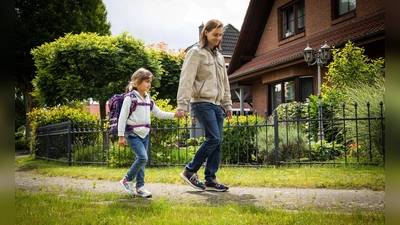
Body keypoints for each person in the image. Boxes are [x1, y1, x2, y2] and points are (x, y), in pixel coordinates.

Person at [176, 19, 233, 192]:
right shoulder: (196, 53)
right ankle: (189, 171)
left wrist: (228, 104)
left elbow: (225, 82)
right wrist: (182, 105)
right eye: (215, 34)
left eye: (220, 35)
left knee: (218, 142)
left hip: (217, 104)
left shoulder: (219, 56)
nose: (218, 38)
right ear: (205, 33)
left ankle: (210, 179)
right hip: (201, 102)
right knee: (213, 138)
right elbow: (186, 79)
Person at [118, 68, 180, 198]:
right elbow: (122, 118)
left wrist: (174, 115)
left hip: (145, 133)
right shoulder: (130, 98)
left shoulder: (148, 99)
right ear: (136, 82)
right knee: (143, 158)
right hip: (133, 133)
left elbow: (158, 113)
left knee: (141, 161)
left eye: (150, 82)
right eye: (146, 81)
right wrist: (121, 136)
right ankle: (126, 179)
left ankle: (140, 187)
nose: (149, 84)